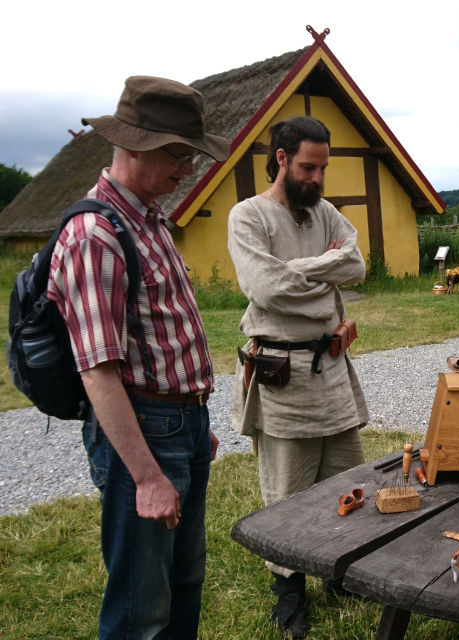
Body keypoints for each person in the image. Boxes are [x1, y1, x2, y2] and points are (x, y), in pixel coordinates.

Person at [47, 76, 229, 639]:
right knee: (141, 609)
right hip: (144, 432)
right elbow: (97, 371)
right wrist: (146, 475)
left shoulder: (146, 218)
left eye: (193, 157)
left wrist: (196, 418)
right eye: (180, 154)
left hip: (181, 424)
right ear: (135, 144)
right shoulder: (94, 234)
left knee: (185, 581)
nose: (189, 170)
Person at [228, 116, 369, 638]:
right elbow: (264, 289)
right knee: (286, 488)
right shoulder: (248, 217)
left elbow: (354, 266)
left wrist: (300, 273)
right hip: (281, 371)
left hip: (331, 366)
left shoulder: (325, 211)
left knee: (347, 476)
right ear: (282, 159)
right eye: (309, 167)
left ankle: (343, 570)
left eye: (323, 168)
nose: (317, 178)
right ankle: (289, 591)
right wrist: (320, 268)